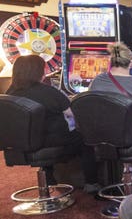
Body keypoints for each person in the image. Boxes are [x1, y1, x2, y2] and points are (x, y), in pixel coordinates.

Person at [6, 54, 98, 189]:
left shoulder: (9, 93)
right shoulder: (48, 92)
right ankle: (92, 183)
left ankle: (49, 181)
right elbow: (72, 113)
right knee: (85, 138)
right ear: (39, 72)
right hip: (51, 142)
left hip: (18, 146)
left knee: (40, 133)